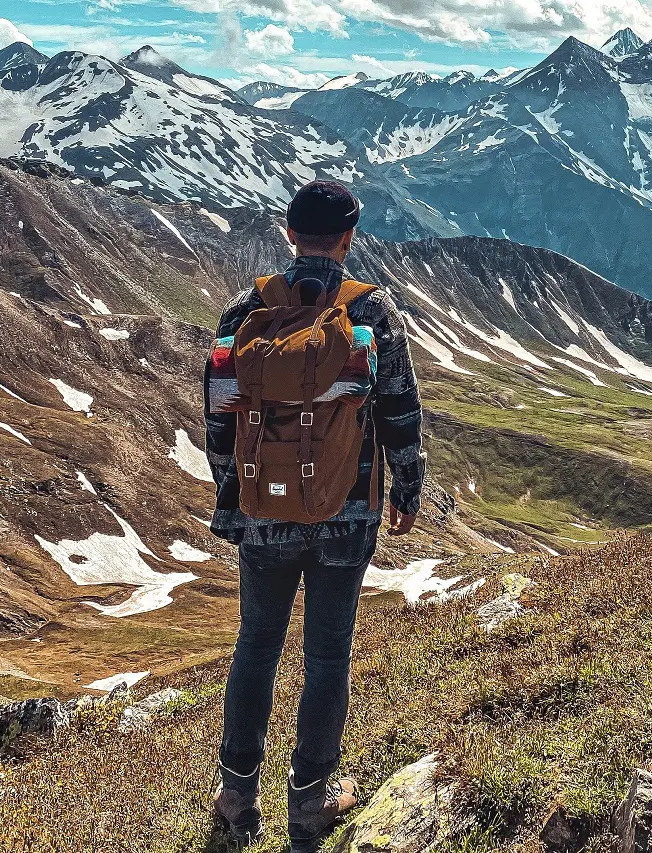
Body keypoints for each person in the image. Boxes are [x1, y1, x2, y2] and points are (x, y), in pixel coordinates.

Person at [203, 180, 425, 848]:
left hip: (263, 518)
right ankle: (310, 802)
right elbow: (399, 410)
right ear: (350, 238)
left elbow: (219, 416)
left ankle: (237, 797)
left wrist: (234, 498)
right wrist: (405, 491)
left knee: (256, 646)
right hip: (346, 513)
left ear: (289, 233)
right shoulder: (371, 313)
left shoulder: (244, 312)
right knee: (327, 654)